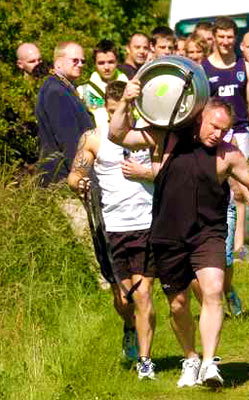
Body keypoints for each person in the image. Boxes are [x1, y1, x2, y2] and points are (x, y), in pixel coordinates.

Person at [109, 81, 249, 388]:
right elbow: (118, 135)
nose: (218, 134)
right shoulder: (166, 137)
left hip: (209, 233)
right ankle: (190, 358)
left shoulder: (227, 155)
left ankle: (209, 364)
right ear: (199, 117)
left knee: (213, 289)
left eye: (225, 129)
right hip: (167, 235)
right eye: (214, 126)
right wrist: (125, 102)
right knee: (178, 305)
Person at [67, 81, 156, 380]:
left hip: (146, 223)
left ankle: (145, 362)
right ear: (105, 109)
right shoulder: (93, 138)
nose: (118, 116)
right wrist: (79, 183)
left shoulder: (148, 134)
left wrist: (148, 173)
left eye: (124, 110)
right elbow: (75, 174)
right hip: (111, 226)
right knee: (123, 297)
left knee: (143, 294)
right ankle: (128, 327)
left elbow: (168, 167)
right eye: (112, 110)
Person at [202, 16, 249, 156]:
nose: (225, 41)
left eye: (229, 37)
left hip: (241, 132)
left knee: (243, 176)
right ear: (214, 37)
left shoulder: (246, 67)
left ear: (236, 38)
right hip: (214, 134)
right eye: (221, 36)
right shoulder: (203, 68)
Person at [36, 41, 95, 186]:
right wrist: (81, 177)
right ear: (58, 63)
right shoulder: (56, 91)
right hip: (63, 178)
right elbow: (69, 140)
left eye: (82, 61)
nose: (80, 64)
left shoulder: (65, 87)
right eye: (75, 60)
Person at [77, 40, 128, 128]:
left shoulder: (130, 87)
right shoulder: (83, 91)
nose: (106, 67)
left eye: (111, 62)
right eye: (101, 63)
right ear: (94, 64)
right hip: (97, 138)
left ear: (117, 61)